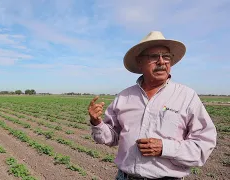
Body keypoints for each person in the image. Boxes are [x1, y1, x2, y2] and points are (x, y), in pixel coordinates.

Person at [88, 31, 217, 180]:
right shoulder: (124, 97)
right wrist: (96, 122)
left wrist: (165, 148)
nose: (162, 62)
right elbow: (112, 137)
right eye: (154, 57)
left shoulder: (187, 96)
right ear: (139, 62)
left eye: (166, 57)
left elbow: (204, 145)